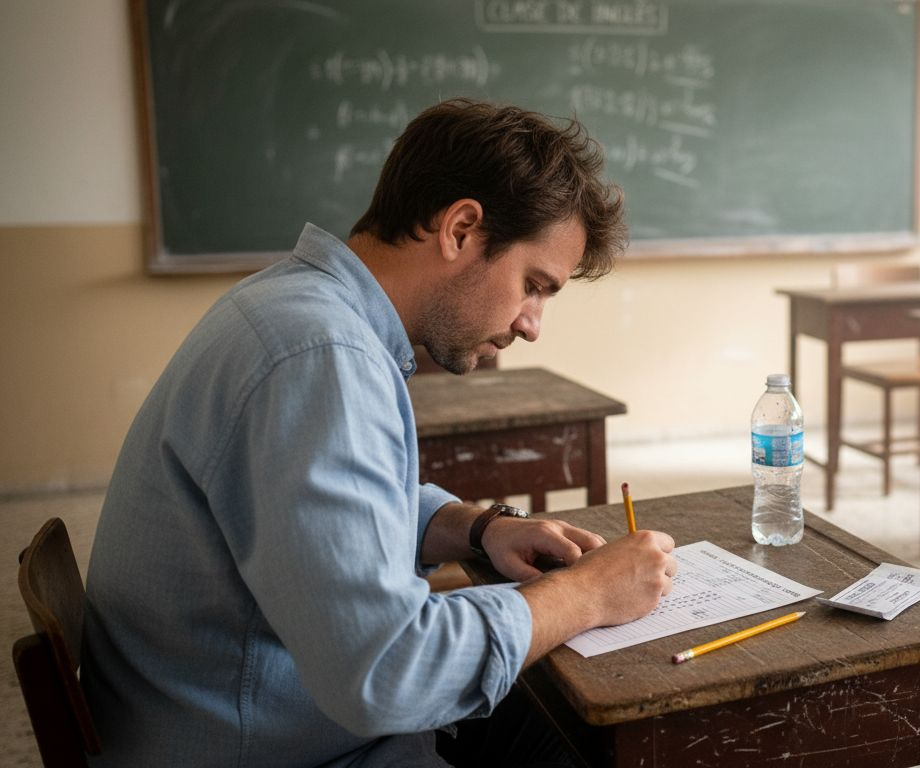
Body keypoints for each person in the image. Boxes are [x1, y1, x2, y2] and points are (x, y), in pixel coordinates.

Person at [81, 99, 677, 767]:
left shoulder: (295, 308)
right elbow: (388, 672)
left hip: (242, 713)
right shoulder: (319, 358)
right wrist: (588, 592)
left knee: (563, 719)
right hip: (277, 745)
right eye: (533, 285)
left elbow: (338, 506)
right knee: (625, 741)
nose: (532, 324)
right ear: (460, 229)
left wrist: (476, 527)